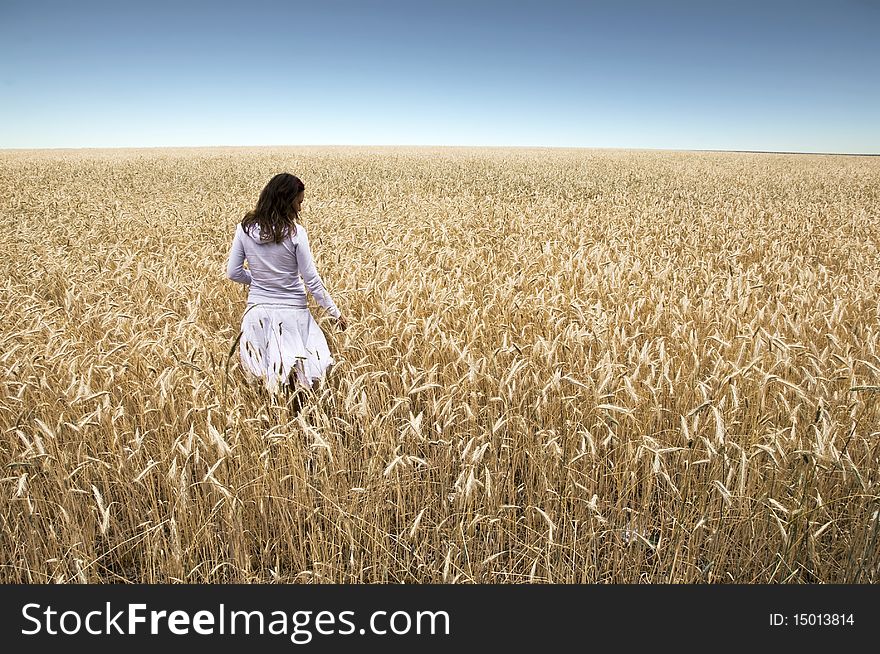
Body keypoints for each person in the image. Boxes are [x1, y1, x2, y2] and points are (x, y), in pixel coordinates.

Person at [226, 172, 347, 403]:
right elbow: (311, 280)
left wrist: (261, 280)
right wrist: (335, 312)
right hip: (293, 317)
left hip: (257, 314)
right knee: (301, 385)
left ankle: (270, 428)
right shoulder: (296, 234)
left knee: (265, 387)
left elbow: (233, 272)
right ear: (286, 200)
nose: (300, 209)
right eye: (299, 202)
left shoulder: (243, 229)